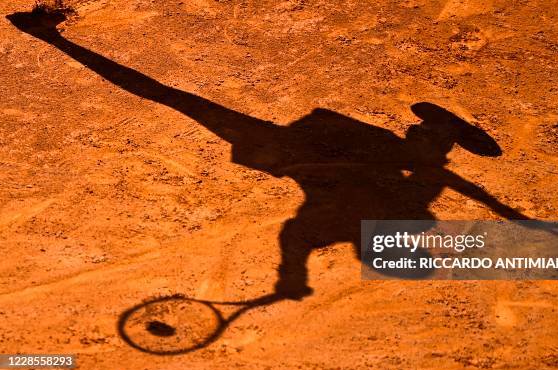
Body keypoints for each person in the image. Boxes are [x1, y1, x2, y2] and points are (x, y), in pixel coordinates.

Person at [7, 9, 529, 300]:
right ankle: (440, 127)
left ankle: (49, 35)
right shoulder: (406, 206)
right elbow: (441, 182)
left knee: (168, 96)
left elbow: (295, 236)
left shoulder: (354, 223)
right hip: (320, 146)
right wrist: (501, 209)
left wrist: (289, 280)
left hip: (283, 148)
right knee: (169, 96)